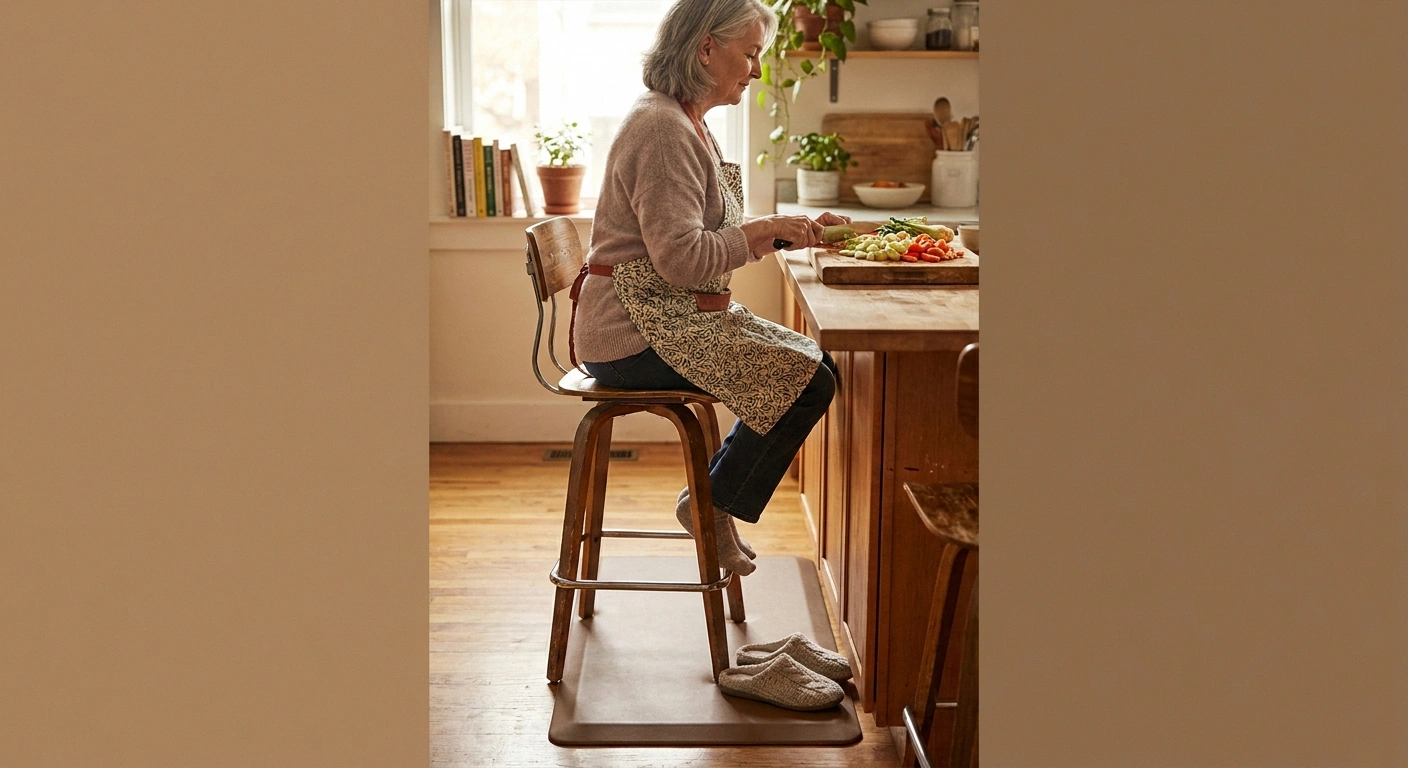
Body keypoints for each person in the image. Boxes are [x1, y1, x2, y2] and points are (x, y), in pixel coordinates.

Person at [571, 0, 848, 576]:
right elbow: (681, 259)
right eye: (748, 55)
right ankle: (711, 506)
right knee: (806, 381)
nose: (754, 69)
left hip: (671, 317)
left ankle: (710, 503)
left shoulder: (683, 120)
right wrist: (762, 231)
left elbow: (705, 236)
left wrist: (788, 232)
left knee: (814, 369)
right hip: (633, 334)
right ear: (705, 48)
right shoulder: (663, 130)